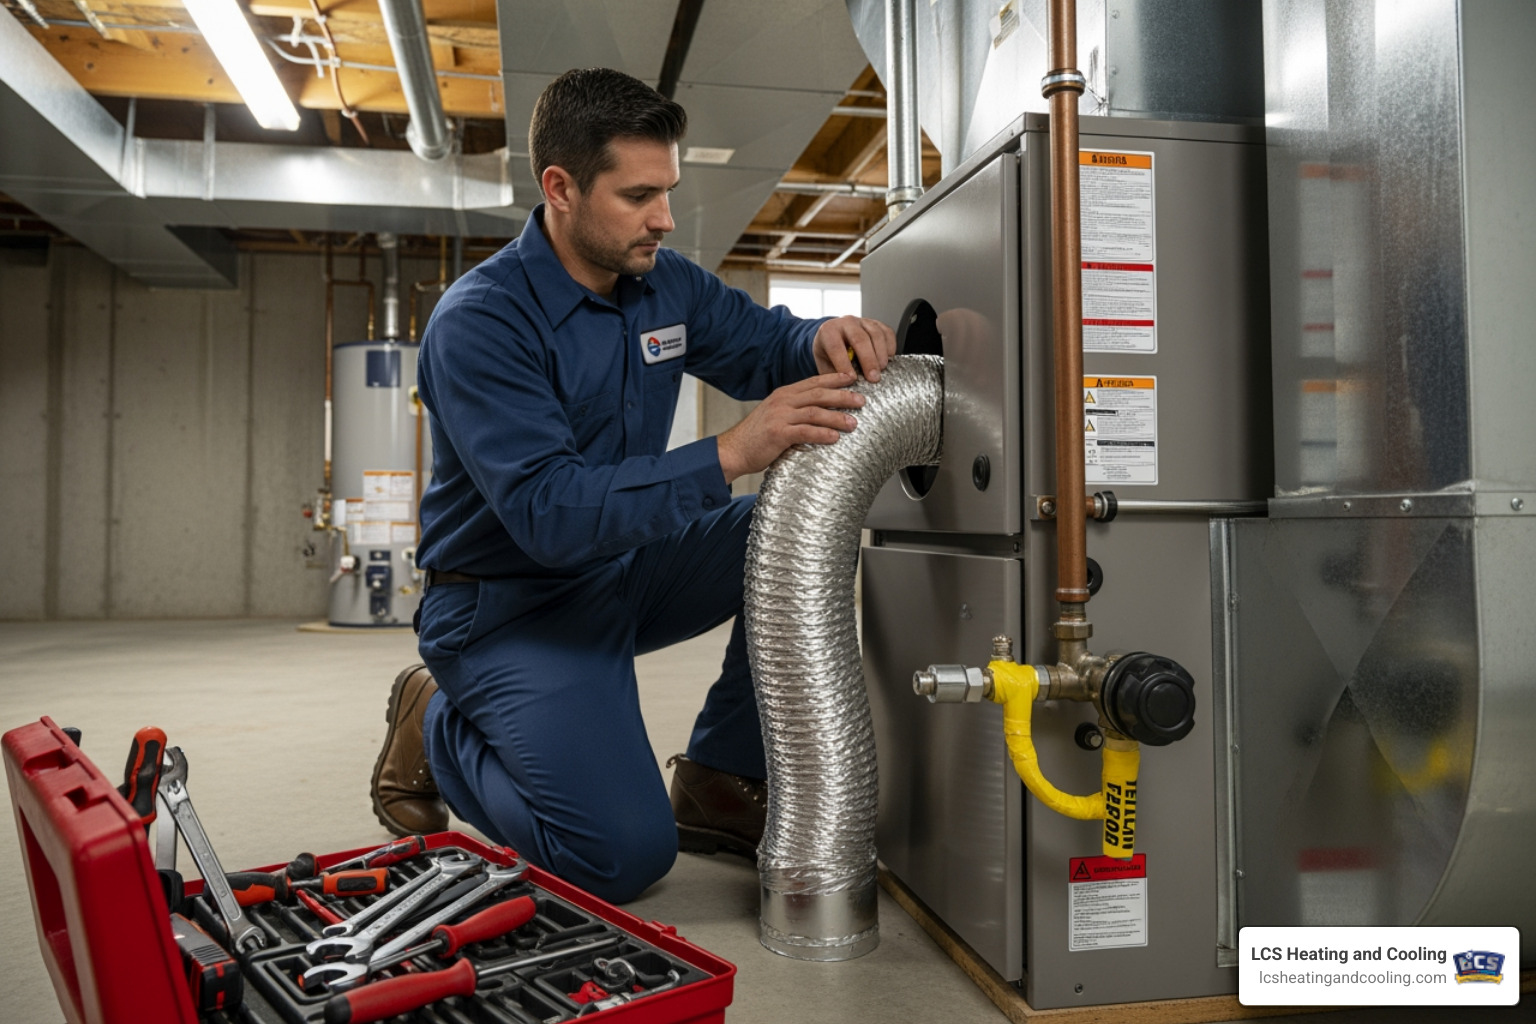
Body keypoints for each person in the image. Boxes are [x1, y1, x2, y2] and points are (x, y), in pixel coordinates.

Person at [369, 67, 896, 904]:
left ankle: (720, 776)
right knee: (618, 858)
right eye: (639, 194)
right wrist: (730, 451)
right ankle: (434, 723)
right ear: (561, 188)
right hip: (510, 608)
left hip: (623, 570)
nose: (665, 217)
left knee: (793, 528)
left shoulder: (665, 284)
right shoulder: (482, 323)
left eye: (669, 190)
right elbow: (549, 515)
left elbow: (763, 343)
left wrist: (822, 335)